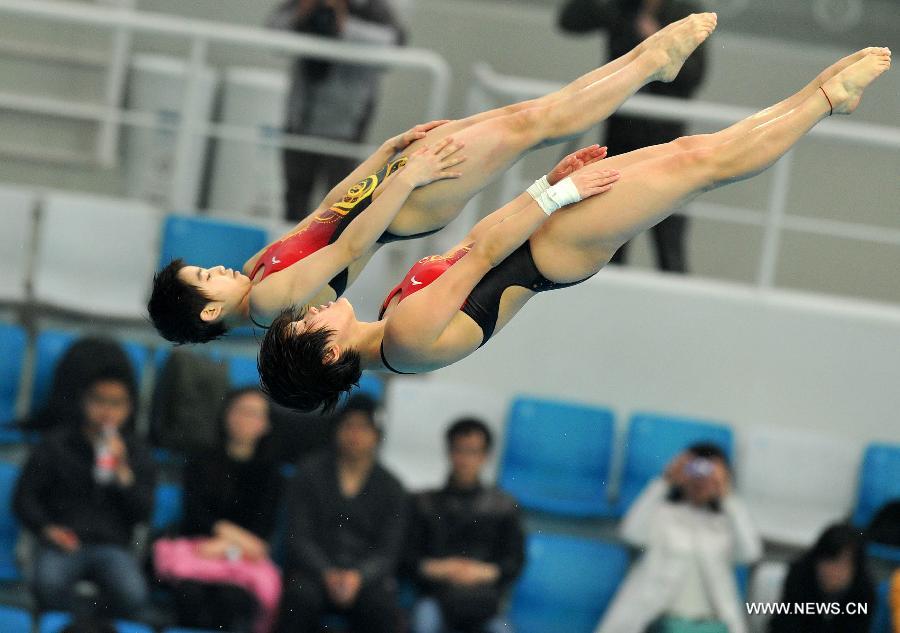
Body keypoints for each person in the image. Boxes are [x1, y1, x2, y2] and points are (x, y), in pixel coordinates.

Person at [256, 48, 891, 412]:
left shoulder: (391, 328)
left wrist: (552, 188)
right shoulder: (405, 339)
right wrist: (556, 193)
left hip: (546, 231)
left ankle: (824, 94)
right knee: (702, 164)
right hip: (553, 247)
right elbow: (487, 254)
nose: (312, 311)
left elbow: (472, 249)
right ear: (330, 355)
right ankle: (827, 99)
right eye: (308, 327)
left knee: (696, 154)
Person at [148, 14, 716, 344]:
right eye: (205, 277)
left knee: (535, 118)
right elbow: (350, 242)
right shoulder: (270, 303)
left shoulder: (254, 273)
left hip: (391, 187)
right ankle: (649, 63)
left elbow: (324, 211)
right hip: (408, 205)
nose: (217, 267)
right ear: (209, 311)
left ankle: (649, 59)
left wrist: (383, 155)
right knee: (533, 122)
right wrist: (410, 173)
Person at [559, 0, 708, 272]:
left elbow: (695, 75)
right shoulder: (622, 7)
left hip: (667, 144)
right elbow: (570, 21)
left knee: (670, 243)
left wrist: (661, 45)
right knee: (609, 238)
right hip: (619, 140)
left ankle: (672, 310)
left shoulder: (684, 11)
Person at [13, 365, 156, 619]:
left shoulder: (136, 452)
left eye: (116, 403)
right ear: (84, 402)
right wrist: (47, 528)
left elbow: (144, 513)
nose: (107, 411)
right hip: (63, 541)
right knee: (47, 585)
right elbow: (24, 498)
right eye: (99, 400)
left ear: (129, 408)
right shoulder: (56, 444)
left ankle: (92, 626)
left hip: (112, 547)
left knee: (133, 594)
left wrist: (123, 472)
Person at [266, 0, 407, 223]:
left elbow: (394, 44)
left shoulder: (371, 8)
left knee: (342, 202)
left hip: (347, 124)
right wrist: (303, 14)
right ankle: (289, 251)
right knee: (294, 195)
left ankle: (328, 252)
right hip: (301, 117)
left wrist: (344, 24)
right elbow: (273, 31)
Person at [597, 443, 761, 633]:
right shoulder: (663, 513)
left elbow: (750, 553)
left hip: (710, 626)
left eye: (710, 471)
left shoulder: (726, 523)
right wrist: (664, 481)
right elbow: (631, 533)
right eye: (694, 468)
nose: (701, 478)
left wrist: (727, 496)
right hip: (658, 623)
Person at [157, 387, 283, 633]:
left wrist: (227, 546)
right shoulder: (200, 461)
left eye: (255, 414)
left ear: (266, 424)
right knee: (189, 594)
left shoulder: (272, 475)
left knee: (232, 599)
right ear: (226, 415)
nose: (246, 419)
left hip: (242, 561)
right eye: (241, 411)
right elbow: (195, 513)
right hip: (199, 550)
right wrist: (230, 539)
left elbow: (262, 536)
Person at [276, 394, 407, 633]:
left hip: (365, 580)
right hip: (314, 574)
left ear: (377, 435)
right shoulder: (309, 473)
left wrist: (359, 577)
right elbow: (299, 536)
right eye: (348, 425)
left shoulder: (392, 487)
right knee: (299, 600)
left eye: (363, 427)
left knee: (382, 609)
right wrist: (326, 572)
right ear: (336, 430)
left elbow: (389, 550)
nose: (354, 434)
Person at [407, 418, 525, 633]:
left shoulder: (504, 506)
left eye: (472, 451)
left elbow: (515, 563)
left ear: (484, 456)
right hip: (436, 597)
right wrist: (441, 569)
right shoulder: (424, 503)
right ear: (449, 452)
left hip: (483, 603)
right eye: (459, 450)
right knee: (424, 625)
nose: (464, 459)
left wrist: (481, 572)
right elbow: (407, 558)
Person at [769, 523, 874, 633]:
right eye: (829, 560)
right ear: (817, 559)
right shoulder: (799, 577)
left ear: (856, 568)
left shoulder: (864, 593)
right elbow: (786, 624)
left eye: (844, 564)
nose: (834, 570)